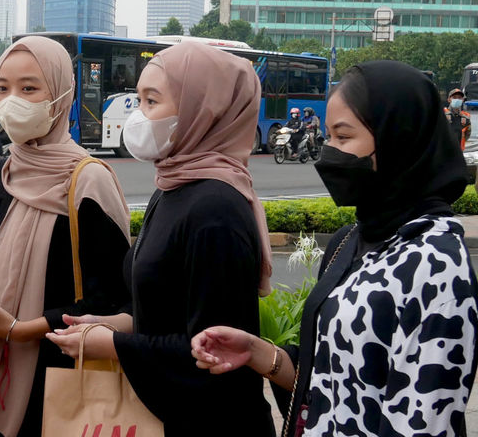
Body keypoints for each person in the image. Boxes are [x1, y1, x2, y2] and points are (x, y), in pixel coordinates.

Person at [192, 61, 478, 437]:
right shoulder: (352, 238)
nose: (330, 153)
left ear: (399, 138)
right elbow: (331, 382)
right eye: (328, 137)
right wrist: (257, 353)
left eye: (343, 138)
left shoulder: (436, 264)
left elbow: (422, 422)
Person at [47, 41, 275, 435]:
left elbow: (212, 353)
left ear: (203, 110)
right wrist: (115, 323)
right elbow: (168, 308)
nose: (139, 116)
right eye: (138, 100)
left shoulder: (215, 208)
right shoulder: (174, 185)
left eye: (151, 101)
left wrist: (114, 346)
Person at [0, 35, 131, 437]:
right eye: (2, 88)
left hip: (59, 374)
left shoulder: (88, 180)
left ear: (61, 95)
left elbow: (112, 297)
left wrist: (19, 329)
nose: (12, 100)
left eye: (29, 88)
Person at [446, 87, 472, 151]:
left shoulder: (466, 117)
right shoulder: (441, 114)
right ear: (449, 99)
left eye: (459, 98)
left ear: (462, 100)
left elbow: (467, 134)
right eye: (454, 97)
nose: (457, 99)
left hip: (459, 152)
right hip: (444, 153)